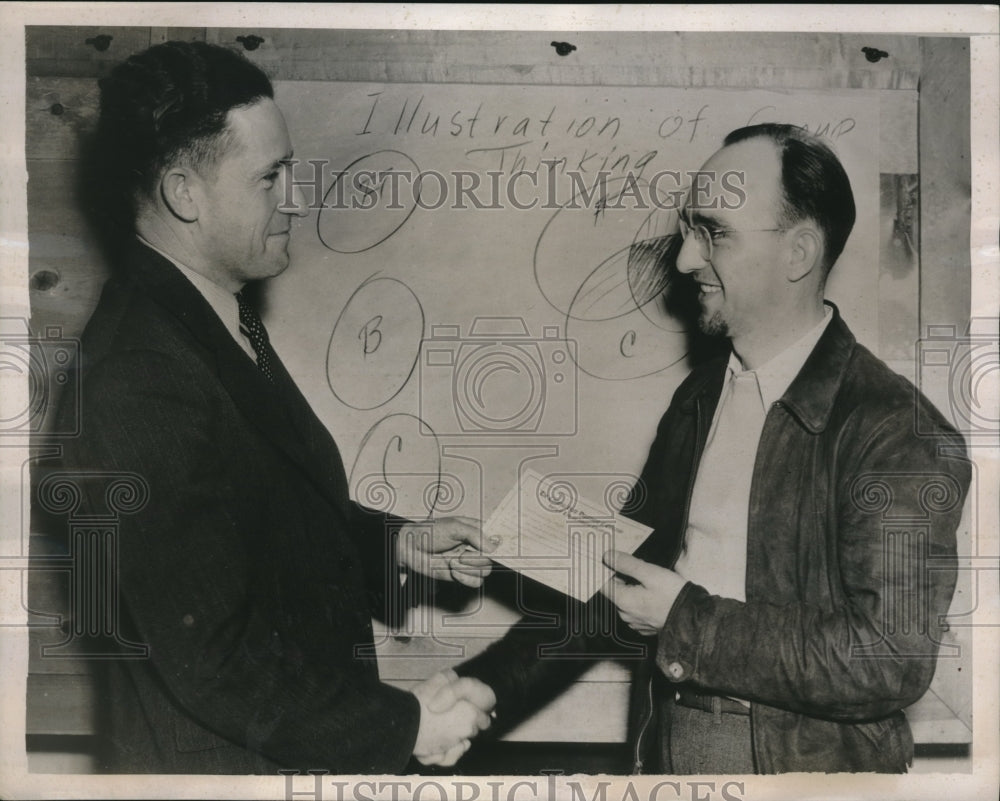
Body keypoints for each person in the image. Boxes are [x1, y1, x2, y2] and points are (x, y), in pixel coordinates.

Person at [455, 123, 971, 773]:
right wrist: (485, 684)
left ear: (799, 252)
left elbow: (887, 658)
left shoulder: (895, 432)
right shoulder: (699, 399)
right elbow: (618, 578)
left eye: (714, 233)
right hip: (667, 741)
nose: (684, 260)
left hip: (799, 772)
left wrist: (683, 618)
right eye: (688, 231)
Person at [51, 41, 495, 774]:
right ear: (183, 193)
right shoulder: (139, 375)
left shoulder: (212, 317)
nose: (295, 196)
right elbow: (216, 661)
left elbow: (259, 515)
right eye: (270, 177)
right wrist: (406, 725)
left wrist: (394, 545)